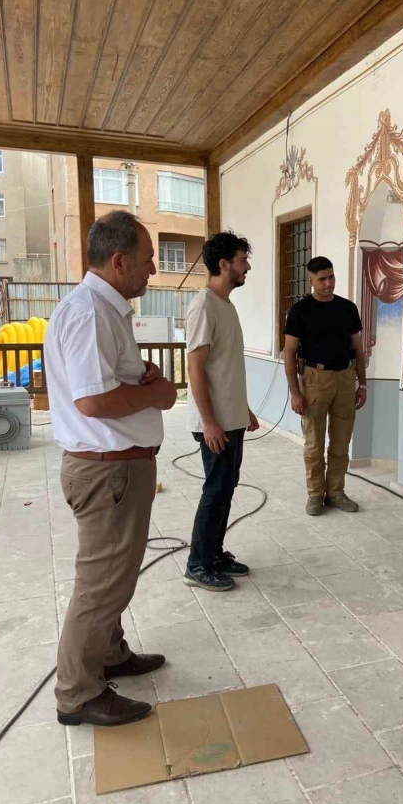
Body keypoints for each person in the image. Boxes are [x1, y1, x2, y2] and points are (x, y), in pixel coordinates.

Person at [45, 211, 177, 727]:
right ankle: (77, 692)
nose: (153, 270)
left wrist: (142, 377)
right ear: (119, 261)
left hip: (116, 468)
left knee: (114, 576)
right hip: (107, 473)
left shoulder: (103, 310)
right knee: (101, 584)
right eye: (148, 260)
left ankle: (111, 653)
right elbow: (94, 401)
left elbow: (106, 382)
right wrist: (158, 394)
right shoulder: (90, 314)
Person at [183, 230, 259, 592]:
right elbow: (195, 368)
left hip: (231, 419)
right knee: (215, 490)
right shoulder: (203, 306)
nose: (247, 268)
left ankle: (214, 554)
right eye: (243, 261)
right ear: (225, 264)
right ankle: (197, 564)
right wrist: (209, 422)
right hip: (215, 423)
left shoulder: (225, 305)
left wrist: (244, 410)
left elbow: (224, 367)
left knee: (227, 487)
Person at [283, 256, 367, 516]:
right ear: (311, 280)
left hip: (345, 378)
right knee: (314, 444)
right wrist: (295, 392)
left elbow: (358, 348)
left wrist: (362, 384)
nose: (328, 283)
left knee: (341, 443)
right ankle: (315, 494)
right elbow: (289, 353)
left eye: (331, 277)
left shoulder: (348, 308)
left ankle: (336, 493)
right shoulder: (299, 311)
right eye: (322, 279)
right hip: (314, 380)